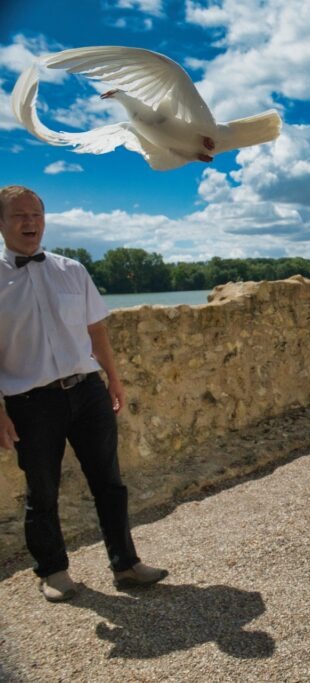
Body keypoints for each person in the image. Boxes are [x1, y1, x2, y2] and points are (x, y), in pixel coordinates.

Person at [0, 185, 167, 602]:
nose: (30, 222)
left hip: (87, 391)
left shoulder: (71, 269)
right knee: (42, 491)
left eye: (36, 214)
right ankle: (53, 572)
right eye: (19, 215)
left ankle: (126, 564)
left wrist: (113, 378)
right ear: (0, 223)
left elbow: (96, 330)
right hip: (30, 402)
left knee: (110, 483)